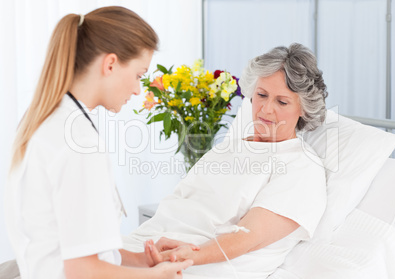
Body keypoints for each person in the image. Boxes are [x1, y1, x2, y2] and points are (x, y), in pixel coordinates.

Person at [4, 6, 193, 279]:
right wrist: (157, 275)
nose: (138, 89)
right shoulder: (78, 142)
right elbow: (81, 270)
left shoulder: (48, 120)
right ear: (111, 64)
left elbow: (76, 249)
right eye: (139, 75)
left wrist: (141, 261)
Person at [122, 43, 328, 278]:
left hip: (196, 265)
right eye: (261, 95)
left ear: (304, 108)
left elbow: (248, 237)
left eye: (281, 102)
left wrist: (183, 256)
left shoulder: (301, 167)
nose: (266, 109)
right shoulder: (230, 147)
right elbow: (178, 205)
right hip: (147, 246)